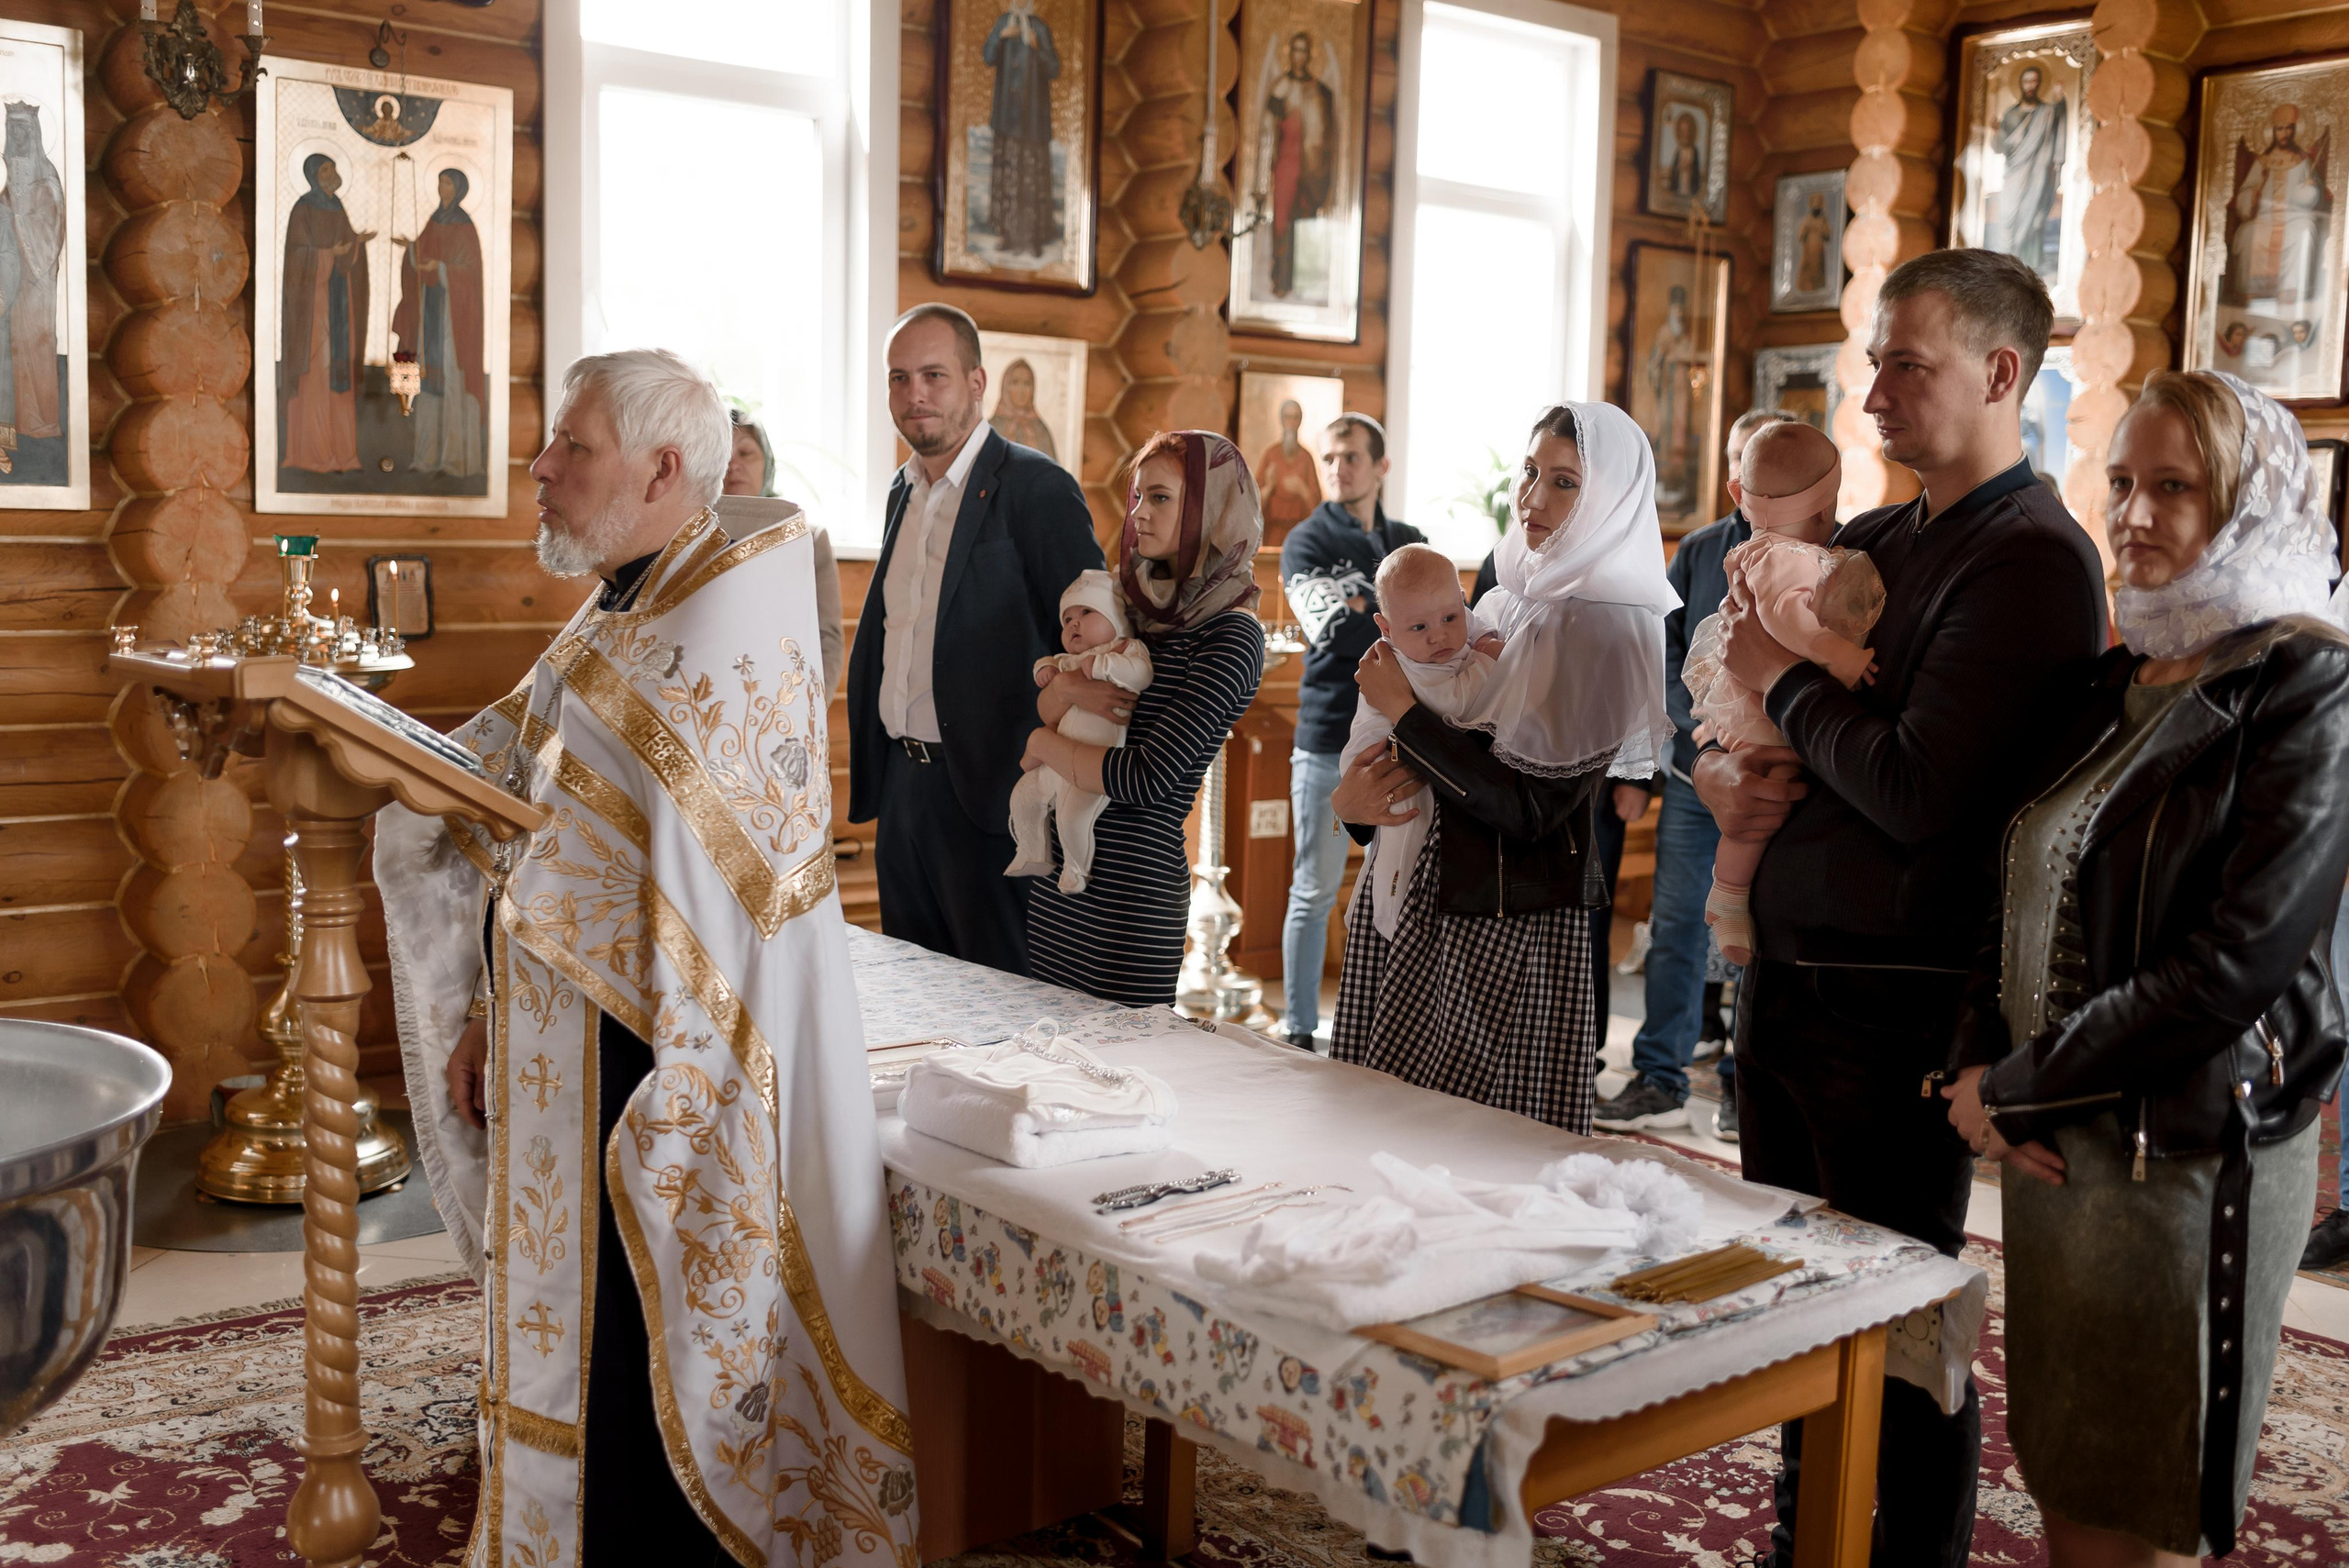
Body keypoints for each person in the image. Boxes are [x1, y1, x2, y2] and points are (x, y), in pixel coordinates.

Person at [380, 349, 918, 1568]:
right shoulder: (629, 596)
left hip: (680, 1041)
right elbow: (521, 775)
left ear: (666, 468)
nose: (541, 467)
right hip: (589, 1024)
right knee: (594, 1337)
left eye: (571, 448)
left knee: (648, 1342)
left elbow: (645, 854)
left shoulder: (727, 608)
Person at [1698, 248, 2106, 1568]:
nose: (1873, 388)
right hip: (1797, 969)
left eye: (1907, 362)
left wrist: (1795, 690)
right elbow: (1785, 722)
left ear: (2001, 373)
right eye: (1873, 358)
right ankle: (1804, 1546)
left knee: (1895, 1328)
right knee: (1793, 1314)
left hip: (1897, 998)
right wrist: (1735, 762)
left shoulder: (2036, 562)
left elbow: (1922, 788)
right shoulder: (1873, 540)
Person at [1945, 369, 2349, 1565]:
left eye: (2173, 486)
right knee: (2071, 1457)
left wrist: (2018, 1085)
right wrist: (1975, 1064)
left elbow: (2237, 964)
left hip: (2182, 1151)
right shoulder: (2111, 682)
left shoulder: (2308, 683)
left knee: (2153, 1486)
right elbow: (2010, 876)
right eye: (2121, 480)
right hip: (2054, 1142)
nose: (2131, 511)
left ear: (2250, 501)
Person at [1330, 402, 1676, 1133]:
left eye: (1564, 482)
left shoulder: (1603, 625)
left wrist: (1404, 715)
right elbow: (1427, 750)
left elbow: (1530, 810)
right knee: (1378, 1132)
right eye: (1529, 473)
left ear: (1610, 498)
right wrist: (1357, 805)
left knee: (1465, 1154)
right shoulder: (1507, 592)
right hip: (1424, 888)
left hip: (1502, 919)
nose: (1533, 498)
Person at [845, 303, 1102, 974]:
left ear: (978, 382)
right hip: (905, 793)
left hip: (994, 795)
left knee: (1002, 1014)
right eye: (899, 378)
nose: (914, 394)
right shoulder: (903, 492)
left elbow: (1089, 644)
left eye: (934, 374)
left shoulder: (1038, 488)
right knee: (915, 1001)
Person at [1595, 409, 1791, 1139]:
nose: (1748, 479)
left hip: (1771, 781)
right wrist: (1701, 738)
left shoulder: (1816, 550)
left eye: (1763, 465)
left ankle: (1747, 1083)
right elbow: (1664, 652)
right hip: (1690, 774)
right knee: (1675, 926)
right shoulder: (1701, 550)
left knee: (1754, 936)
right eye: (1739, 462)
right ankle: (1659, 1075)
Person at [1020, 432, 1267, 1004]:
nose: (1139, 513)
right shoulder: (1130, 607)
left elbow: (1147, 778)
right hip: (1060, 879)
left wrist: (1039, 740)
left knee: (1117, 1080)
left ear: (1210, 507)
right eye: (1136, 497)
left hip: (1130, 894)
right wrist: (1068, 695)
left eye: (1159, 497)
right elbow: (1055, 689)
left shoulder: (1232, 636)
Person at [1687, 423, 1885, 966]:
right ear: (1824, 511)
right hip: (1763, 709)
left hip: (1765, 700)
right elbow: (1785, 619)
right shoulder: (1787, 557)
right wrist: (1837, 655)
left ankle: (1734, 898)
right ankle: (1728, 898)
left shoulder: (1769, 550)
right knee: (1763, 799)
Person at [1277, 413, 1424, 1051]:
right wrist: (1403, 624)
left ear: (1381, 465)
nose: (1338, 467)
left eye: (1352, 457)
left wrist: (1375, 613)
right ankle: (1300, 1030)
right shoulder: (1304, 542)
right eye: (1330, 457)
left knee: (1404, 884)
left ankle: (1392, 1027)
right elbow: (1332, 632)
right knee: (1313, 889)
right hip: (1324, 738)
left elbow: (1445, 633)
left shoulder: (1411, 540)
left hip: (1406, 739)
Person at [1339, 543, 1504, 941]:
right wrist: (1488, 659)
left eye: (1450, 617)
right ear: (1386, 628)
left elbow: (1471, 621)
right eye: (1419, 628)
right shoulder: (1403, 663)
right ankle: (1391, 919)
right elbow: (1453, 703)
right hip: (1381, 763)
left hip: (1425, 762)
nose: (1439, 636)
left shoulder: (1449, 628)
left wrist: (1482, 634)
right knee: (1403, 840)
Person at [1007, 569, 1152, 895]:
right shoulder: (1069, 660)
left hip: (1093, 762)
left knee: (1073, 819)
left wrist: (1106, 667)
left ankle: (1076, 870)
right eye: (1068, 618)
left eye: (1087, 612)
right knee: (1024, 797)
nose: (1074, 623)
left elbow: (1141, 674)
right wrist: (1045, 670)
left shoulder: (1124, 648)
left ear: (1116, 618)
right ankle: (1032, 851)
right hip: (1057, 757)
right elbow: (1049, 666)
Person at [724, 406, 843, 695]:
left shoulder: (807, 538)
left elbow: (826, 639)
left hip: (785, 702)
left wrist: (807, 711)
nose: (733, 465)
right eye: (722, 455)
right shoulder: (685, 536)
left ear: (767, 462)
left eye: (746, 453)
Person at [391, 169, 487, 479]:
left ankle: (454, 459)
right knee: (428, 382)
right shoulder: (435, 219)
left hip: (452, 320)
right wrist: (411, 250)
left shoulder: (464, 225)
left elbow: (469, 273)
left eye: (447, 182)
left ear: (458, 188)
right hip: (430, 312)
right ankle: (425, 457)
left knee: (449, 380)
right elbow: (423, 256)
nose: (441, 187)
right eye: (440, 182)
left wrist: (442, 268)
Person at [280, 155, 373, 475]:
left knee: (338, 377)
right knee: (317, 374)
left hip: (339, 302)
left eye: (333, 169)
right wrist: (325, 255)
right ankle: (313, 455)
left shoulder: (338, 207)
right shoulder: (303, 208)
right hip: (314, 308)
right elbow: (296, 256)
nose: (332, 174)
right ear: (312, 176)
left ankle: (344, 455)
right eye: (325, 170)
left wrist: (356, 245)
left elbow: (346, 250)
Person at [1256, 31, 1337, 298]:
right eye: (1295, 50)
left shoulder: (1318, 90)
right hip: (1286, 163)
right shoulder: (1280, 87)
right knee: (1281, 220)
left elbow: (1326, 133)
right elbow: (1268, 127)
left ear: (1309, 54)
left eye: (1303, 50)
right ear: (1289, 53)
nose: (1298, 55)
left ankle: (1299, 281)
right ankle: (1279, 278)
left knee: (1301, 221)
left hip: (1309, 167)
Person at [1, 103, 62, 448]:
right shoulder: (5, 171)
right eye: (12, 128)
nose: (17, 134)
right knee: (12, 347)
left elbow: (50, 227)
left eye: (23, 128)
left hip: (38, 278)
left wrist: (17, 222)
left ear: (34, 132)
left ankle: (41, 424)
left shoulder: (47, 175)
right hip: (11, 273)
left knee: (37, 344)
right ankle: (16, 423)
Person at [983, 0, 1060, 256]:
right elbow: (988, 56)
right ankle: (1007, 233)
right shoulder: (1003, 23)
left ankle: (1034, 236)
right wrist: (1000, 37)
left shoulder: (1040, 28)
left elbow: (1054, 68)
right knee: (1008, 176)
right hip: (1007, 118)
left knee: (1031, 177)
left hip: (1033, 122)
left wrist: (1037, 47)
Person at [1988, 64, 2065, 276]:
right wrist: (1995, 133)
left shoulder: (2046, 112)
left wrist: (2060, 99)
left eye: (2033, 81)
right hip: (2014, 173)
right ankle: (2006, 260)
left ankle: (2029, 263)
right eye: (2026, 81)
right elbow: (2000, 149)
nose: (2030, 86)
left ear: (2039, 83)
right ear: (2020, 84)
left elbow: (2060, 118)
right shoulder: (2011, 114)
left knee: (2033, 217)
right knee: (2008, 213)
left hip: (2037, 175)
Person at [1256, 396, 1325, 539]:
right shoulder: (1271, 454)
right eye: (1287, 417)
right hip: (1273, 532)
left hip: (1299, 533)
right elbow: (1253, 502)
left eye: (1295, 417)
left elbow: (1317, 505)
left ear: (1300, 421)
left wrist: (1303, 490)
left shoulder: (1306, 458)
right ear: (1281, 419)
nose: (1291, 422)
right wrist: (1269, 488)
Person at [987, 357, 1058, 461]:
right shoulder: (991, 427)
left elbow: (1053, 473)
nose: (1021, 390)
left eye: (1027, 383)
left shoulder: (1041, 430)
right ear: (1006, 386)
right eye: (1015, 382)